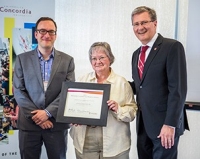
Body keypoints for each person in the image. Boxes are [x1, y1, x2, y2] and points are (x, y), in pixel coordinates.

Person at [130, 6, 189, 159]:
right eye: (136, 24)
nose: (140, 27)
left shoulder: (172, 47)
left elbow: (178, 89)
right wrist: (111, 84)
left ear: (155, 23)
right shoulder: (136, 54)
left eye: (144, 22)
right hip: (143, 125)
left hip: (164, 125)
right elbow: (140, 86)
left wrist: (170, 124)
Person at [13, 17, 75, 159]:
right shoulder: (22, 59)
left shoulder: (67, 60)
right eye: (42, 31)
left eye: (51, 32)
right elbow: (18, 90)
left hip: (56, 124)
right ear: (36, 34)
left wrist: (47, 113)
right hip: (29, 125)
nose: (47, 35)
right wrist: (38, 117)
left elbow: (68, 91)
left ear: (56, 35)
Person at [70, 42, 137, 159]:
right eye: (94, 58)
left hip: (115, 143)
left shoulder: (122, 83)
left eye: (102, 57)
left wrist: (118, 109)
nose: (97, 62)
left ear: (110, 58)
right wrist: (73, 117)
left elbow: (132, 112)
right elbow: (72, 106)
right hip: (86, 141)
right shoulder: (82, 80)